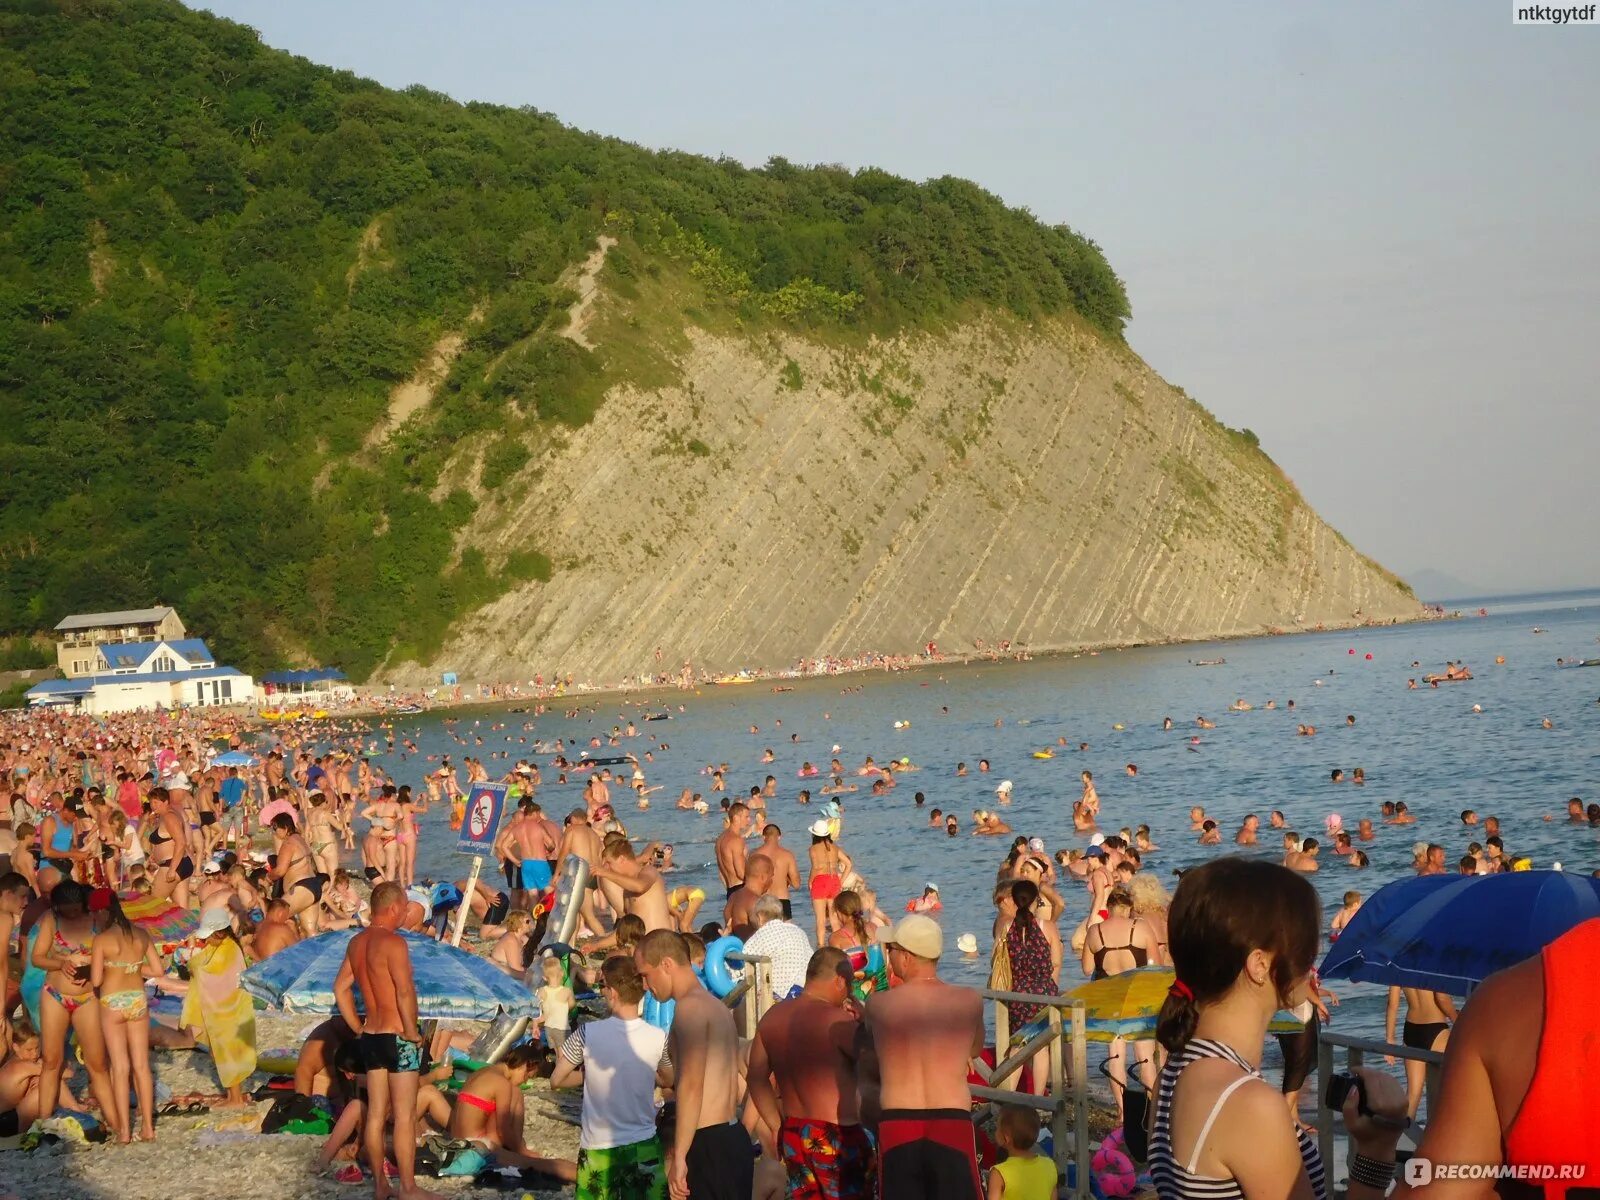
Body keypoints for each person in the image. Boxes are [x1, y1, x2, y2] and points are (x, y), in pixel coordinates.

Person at [1150, 857, 1408, 1200]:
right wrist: (1376, 1151)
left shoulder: (1175, 1071)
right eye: (1305, 946)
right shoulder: (1248, 1103)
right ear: (1260, 964)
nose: (1312, 961)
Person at [1391, 916, 1600, 1200]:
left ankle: (1397, 1131)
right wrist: (1455, 1017)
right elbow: (1442, 1001)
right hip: (1435, 1027)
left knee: (1414, 1090)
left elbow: (1441, 1188)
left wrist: (1372, 1156)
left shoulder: (1506, 998)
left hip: (1413, 1027)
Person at [858, 914, 986, 1200]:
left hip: (898, 1121)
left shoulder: (878, 1004)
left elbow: (874, 1050)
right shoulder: (969, 1000)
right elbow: (974, 1049)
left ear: (905, 957)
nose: (888, 957)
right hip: (952, 1120)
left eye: (890, 950)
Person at [334, 881, 445, 1200]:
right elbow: (404, 990)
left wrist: (357, 1026)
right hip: (397, 1036)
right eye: (406, 908)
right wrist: (411, 1030)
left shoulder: (356, 943)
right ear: (395, 907)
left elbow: (340, 988)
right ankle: (408, 1188)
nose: (407, 913)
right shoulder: (394, 944)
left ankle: (380, 1186)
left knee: (376, 1112)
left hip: (370, 1036)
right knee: (405, 1115)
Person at [746, 947, 873, 1200]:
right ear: (839, 981)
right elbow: (879, 1062)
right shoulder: (837, 1021)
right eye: (848, 986)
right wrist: (866, 1021)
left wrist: (775, 1125)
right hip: (836, 1136)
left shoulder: (772, 1017)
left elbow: (756, 1078)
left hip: (794, 1132)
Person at [634, 928, 751, 1200]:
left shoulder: (689, 1010)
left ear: (666, 964)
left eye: (645, 974)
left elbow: (691, 1085)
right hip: (732, 1135)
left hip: (707, 1142)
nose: (644, 985)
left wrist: (680, 1157)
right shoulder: (716, 1007)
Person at [551, 956, 674, 1200]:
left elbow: (557, 1080)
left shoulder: (588, 1033)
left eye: (602, 986)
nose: (602, 992)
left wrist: (589, 1074)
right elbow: (668, 1078)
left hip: (599, 1147)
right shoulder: (658, 1037)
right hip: (643, 1143)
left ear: (613, 992)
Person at [31, 882, 117, 1125]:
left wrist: (91, 961)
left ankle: (115, 1124)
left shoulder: (96, 919)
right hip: (55, 994)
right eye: (66, 910)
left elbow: (113, 953)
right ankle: (43, 1122)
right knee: (51, 1060)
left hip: (87, 996)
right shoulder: (51, 918)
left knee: (97, 1063)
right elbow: (38, 957)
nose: (71, 914)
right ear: (57, 907)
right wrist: (62, 962)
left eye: (76, 910)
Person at [89, 890, 162, 1142]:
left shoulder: (102, 940)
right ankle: (149, 1128)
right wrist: (134, 968)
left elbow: (96, 979)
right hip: (137, 1000)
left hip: (112, 1002)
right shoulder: (140, 934)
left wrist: (110, 969)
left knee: (120, 1067)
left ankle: (124, 1131)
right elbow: (159, 969)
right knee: (142, 1066)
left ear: (101, 912)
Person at [450, 1045, 575, 1178]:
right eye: (527, 1076)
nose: (524, 1081)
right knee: (542, 1165)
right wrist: (521, 1151)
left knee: (536, 1161)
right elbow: (503, 1129)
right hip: (476, 1149)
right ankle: (590, 1179)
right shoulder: (502, 1084)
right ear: (527, 1065)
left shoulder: (480, 1073)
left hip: (457, 1142)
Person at [183, 906, 258, 1108]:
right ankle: (233, 1096)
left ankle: (235, 1099)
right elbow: (204, 962)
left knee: (228, 1052)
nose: (206, 940)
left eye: (209, 936)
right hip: (224, 1008)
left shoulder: (229, 949)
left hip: (230, 1009)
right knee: (221, 1051)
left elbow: (211, 972)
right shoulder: (222, 946)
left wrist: (193, 966)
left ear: (220, 932)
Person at [992, 879, 1061, 1097]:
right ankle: (1038, 1098)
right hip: (1043, 990)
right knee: (1041, 1048)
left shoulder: (1006, 927)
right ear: (1036, 901)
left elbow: (997, 960)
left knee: (1017, 1044)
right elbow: (1056, 961)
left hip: (1017, 990)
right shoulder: (1046, 926)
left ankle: (1008, 1095)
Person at [1384, 985, 1457, 1118]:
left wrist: (1390, 1039)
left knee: (1413, 1093)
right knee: (1443, 1092)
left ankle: (1402, 1135)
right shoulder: (1432, 964)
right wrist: (1456, 1018)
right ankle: (1437, 1135)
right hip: (1436, 1027)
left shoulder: (1399, 966)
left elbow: (1392, 1004)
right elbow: (1441, 997)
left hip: (1411, 1030)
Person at [742, 894, 815, 1002]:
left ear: (760, 917)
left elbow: (744, 968)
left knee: (742, 1003)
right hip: (806, 989)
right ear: (781, 915)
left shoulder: (761, 935)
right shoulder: (799, 932)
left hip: (779, 994)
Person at [592, 837, 672, 932]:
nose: (606, 867)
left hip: (660, 942)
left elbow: (640, 887)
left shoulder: (649, 870)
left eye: (609, 862)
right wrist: (595, 946)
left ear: (622, 859)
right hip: (640, 942)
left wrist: (604, 873)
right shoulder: (627, 889)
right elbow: (629, 930)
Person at [987, 1104, 1058, 1200]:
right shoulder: (1049, 1165)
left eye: (998, 1128)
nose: (995, 1132)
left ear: (1006, 1138)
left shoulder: (999, 1173)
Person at [808, 820, 851, 945]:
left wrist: (810, 881)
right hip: (834, 881)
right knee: (834, 918)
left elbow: (816, 867)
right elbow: (848, 864)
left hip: (820, 881)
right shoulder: (835, 848)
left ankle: (821, 946)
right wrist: (840, 881)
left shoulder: (813, 849)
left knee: (820, 919)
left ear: (814, 835)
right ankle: (839, 945)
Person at [535, 955, 575, 1050]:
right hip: (562, 1028)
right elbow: (572, 1005)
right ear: (562, 973)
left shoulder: (541, 991)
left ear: (544, 977)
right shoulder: (566, 991)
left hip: (548, 1028)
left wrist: (535, 1026)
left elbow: (535, 1009)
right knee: (564, 1056)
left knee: (557, 1053)